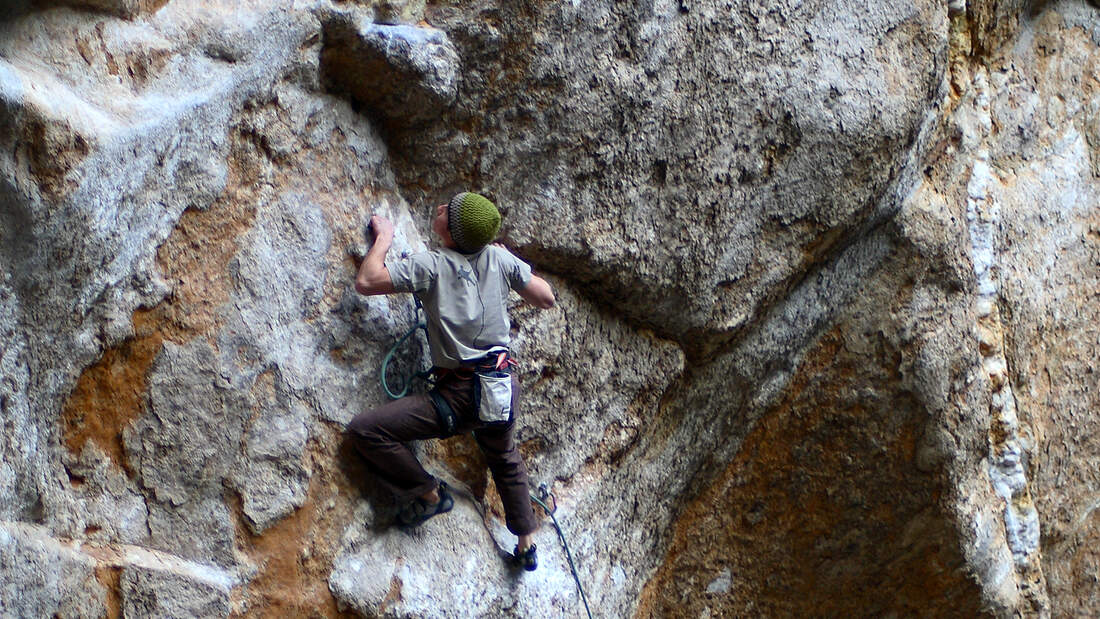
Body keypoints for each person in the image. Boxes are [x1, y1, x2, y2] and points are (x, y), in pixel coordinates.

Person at [347, 192, 555, 571]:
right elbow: (545, 297)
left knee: (366, 430)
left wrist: (384, 239)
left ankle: (428, 494)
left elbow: (367, 281)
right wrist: (506, 263)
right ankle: (526, 545)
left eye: (449, 211)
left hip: (460, 393)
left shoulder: (432, 265)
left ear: (455, 233)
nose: (441, 208)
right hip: (502, 381)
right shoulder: (499, 257)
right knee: (504, 456)